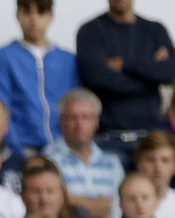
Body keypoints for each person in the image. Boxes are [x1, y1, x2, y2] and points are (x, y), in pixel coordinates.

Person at [75, 0, 175, 163]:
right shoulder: (91, 31)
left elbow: (169, 73)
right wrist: (150, 74)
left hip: (152, 140)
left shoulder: (155, 30)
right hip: (108, 141)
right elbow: (98, 79)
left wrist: (125, 64)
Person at [0, 0, 81, 154]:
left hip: (62, 148)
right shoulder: (4, 57)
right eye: (27, 12)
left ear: (51, 16)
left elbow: (75, 104)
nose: (33, 19)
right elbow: (0, 106)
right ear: (18, 15)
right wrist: (16, 149)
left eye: (41, 12)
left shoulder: (68, 60)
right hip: (21, 147)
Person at [44, 89, 125, 218]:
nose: (79, 124)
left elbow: (122, 204)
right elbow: (55, 203)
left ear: (96, 123)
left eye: (86, 117)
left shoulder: (112, 163)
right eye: (72, 118)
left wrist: (75, 201)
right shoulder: (48, 159)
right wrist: (101, 205)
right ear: (61, 123)